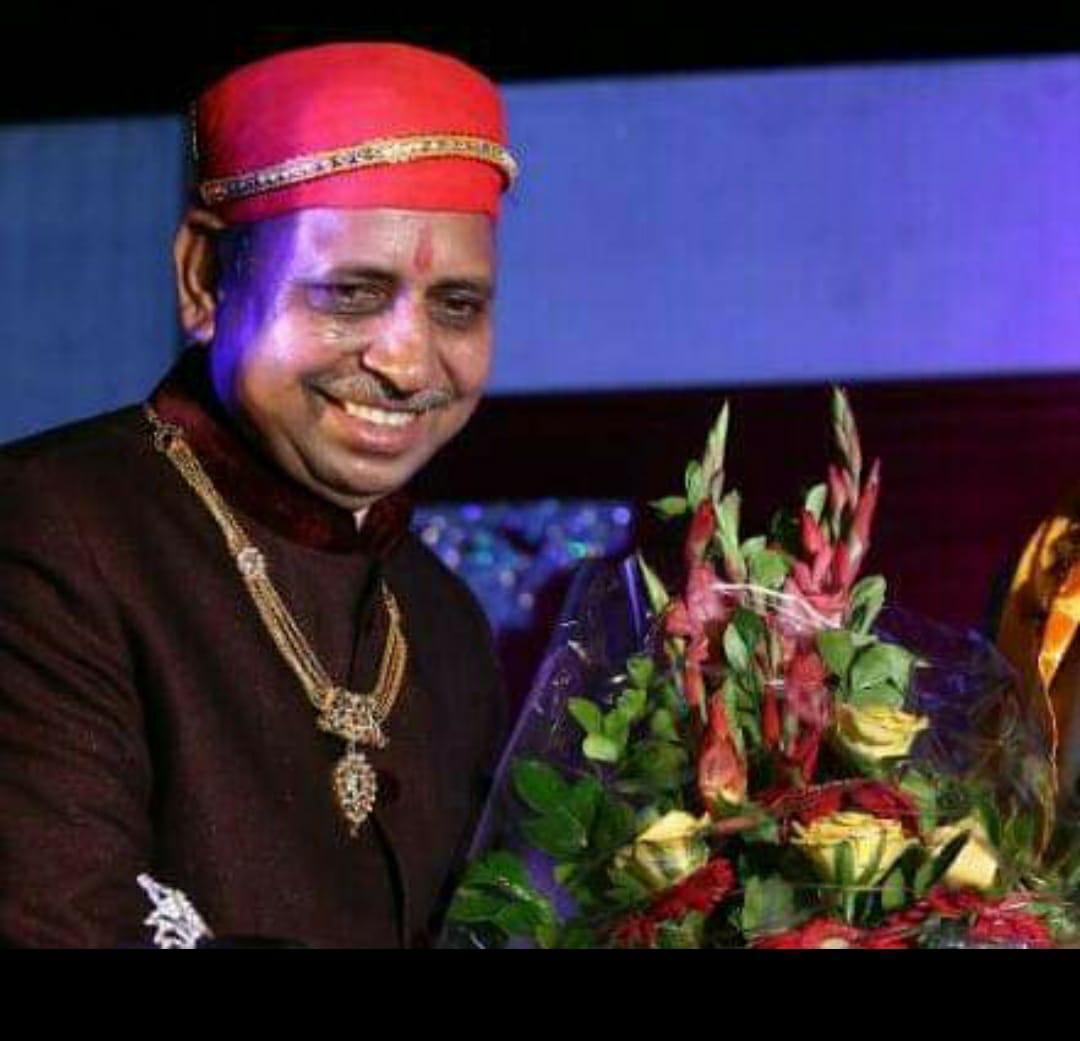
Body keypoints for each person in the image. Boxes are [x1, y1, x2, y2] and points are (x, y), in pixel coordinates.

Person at [0, 42, 518, 947]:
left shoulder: (443, 622)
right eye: (351, 293)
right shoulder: (49, 532)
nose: (408, 363)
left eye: (456, 306)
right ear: (204, 277)